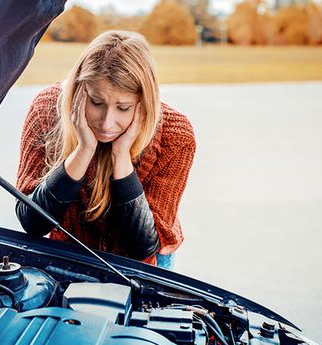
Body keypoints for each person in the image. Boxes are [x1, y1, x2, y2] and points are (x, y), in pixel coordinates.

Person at [15, 30, 195, 269]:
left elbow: (143, 247)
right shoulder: (46, 110)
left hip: (145, 265)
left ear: (144, 103)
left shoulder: (176, 135)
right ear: (80, 90)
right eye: (96, 102)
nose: (107, 123)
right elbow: (32, 223)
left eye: (123, 107)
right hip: (69, 252)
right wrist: (83, 150)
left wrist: (121, 157)